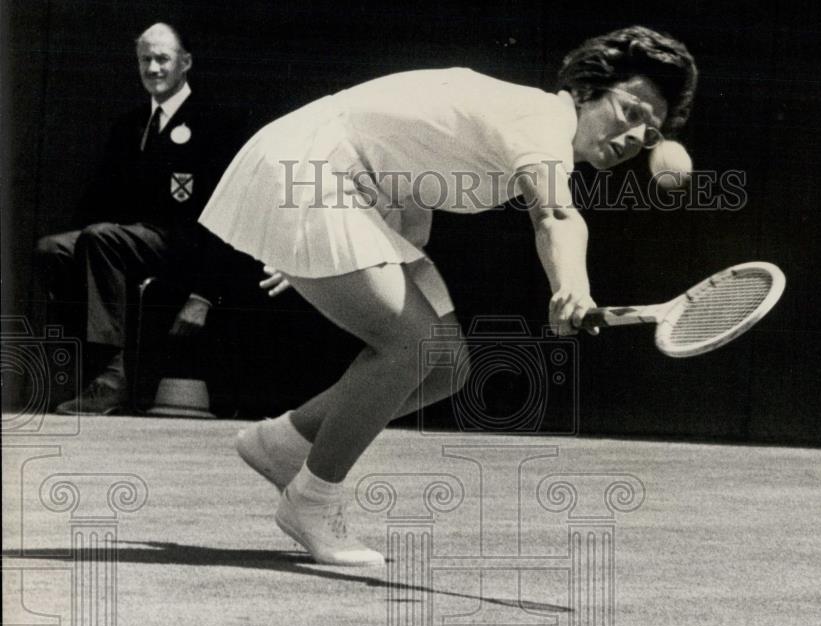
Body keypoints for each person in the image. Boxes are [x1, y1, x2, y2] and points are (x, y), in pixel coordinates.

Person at [200, 26, 698, 566]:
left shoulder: (526, 132)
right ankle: (312, 500)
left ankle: (285, 444)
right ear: (588, 90)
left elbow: (407, 174)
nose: (635, 138)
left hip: (350, 187)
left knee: (443, 365)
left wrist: (316, 254)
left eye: (650, 134)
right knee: (410, 346)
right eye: (630, 112)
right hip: (311, 168)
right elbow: (555, 215)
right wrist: (572, 288)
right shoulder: (540, 118)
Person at [34, 23, 247, 415]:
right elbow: (95, 203)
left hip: (184, 245)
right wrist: (82, 240)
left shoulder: (214, 123)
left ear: (186, 63)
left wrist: (203, 294)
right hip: (128, 242)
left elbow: (227, 216)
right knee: (53, 249)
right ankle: (89, 367)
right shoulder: (129, 125)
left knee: (100, 239)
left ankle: (114, 377)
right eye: (145, 59)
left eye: (162, 58)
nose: (153, 68)